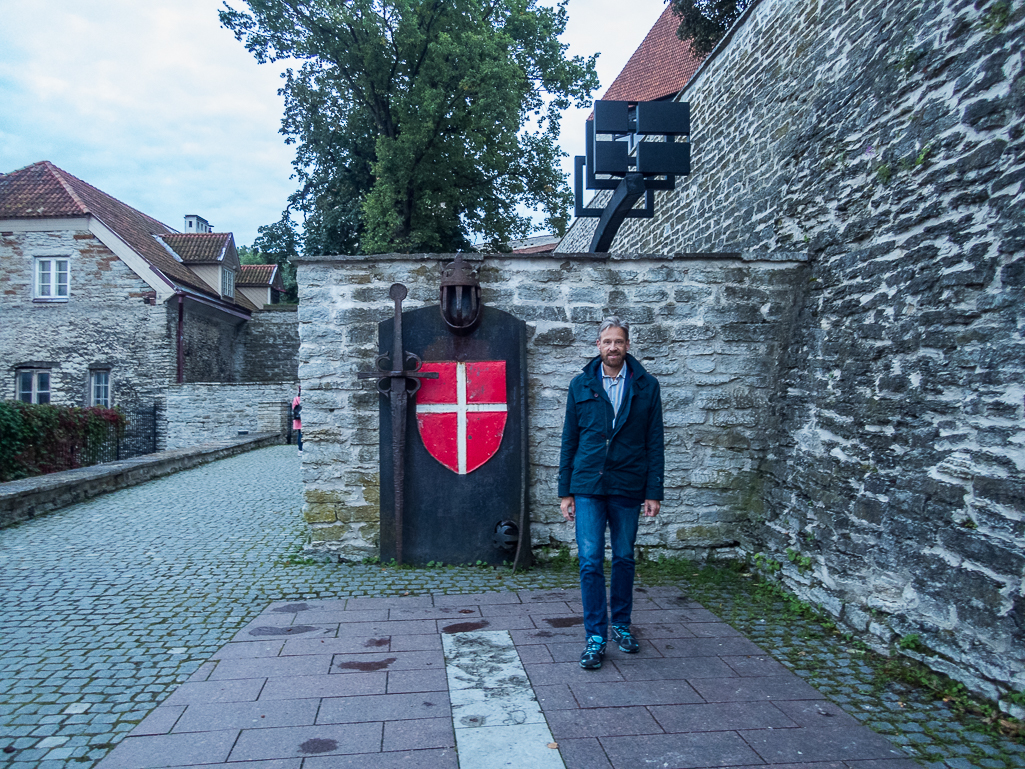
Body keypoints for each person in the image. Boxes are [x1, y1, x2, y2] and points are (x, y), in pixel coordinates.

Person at [558, 317, 664, 670]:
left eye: (619, 341)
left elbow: (655, 443)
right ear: (598, 346)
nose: (613, 347)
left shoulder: (647, 386)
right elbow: (569, 440)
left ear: (628, 346)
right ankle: (595, 635)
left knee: (623, 557)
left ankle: (620, 624)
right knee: (589, 560)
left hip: (628, 484)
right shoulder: (581, 385)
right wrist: (565, 491)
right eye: (607, 341)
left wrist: (654, 492)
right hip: (587, 484)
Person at [292, 386, 302, 456]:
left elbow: (293, 407)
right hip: (304, 418)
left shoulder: (296, 399)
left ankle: (300, 449)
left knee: (299, 434)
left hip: (298, 419)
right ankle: (302, 448)